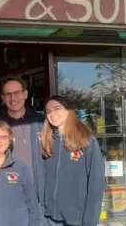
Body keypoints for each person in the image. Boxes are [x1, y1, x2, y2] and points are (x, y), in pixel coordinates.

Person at [0, 76, 45, 222]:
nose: (13, 98)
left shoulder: (40, 121)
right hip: (10, 197)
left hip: (39, 196)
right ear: (3, 98)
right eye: (8, 94)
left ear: (25, 94)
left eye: (17, 92)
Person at [41, 95, 105, 226]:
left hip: (77, 219)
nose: (52, 114)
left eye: (57, 108)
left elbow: (96, 184)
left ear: (69, 111)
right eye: (48, 111)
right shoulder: (47, 141)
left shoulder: (86, 140)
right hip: (50, 218)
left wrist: (90, 221)